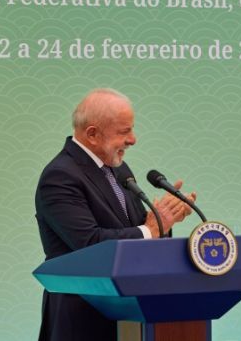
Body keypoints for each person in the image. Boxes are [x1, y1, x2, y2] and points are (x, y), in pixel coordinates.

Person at [35, 88, 197, 341]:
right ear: (92, 134)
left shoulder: (119, 169)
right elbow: (90, 244)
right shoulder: (60, 176)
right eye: (124, 132)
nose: (133, 140)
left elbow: (140, 229)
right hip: (84, 321)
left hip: (133, 313)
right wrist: (152, 229)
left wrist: (163, 219)